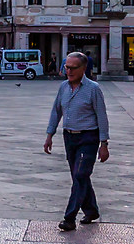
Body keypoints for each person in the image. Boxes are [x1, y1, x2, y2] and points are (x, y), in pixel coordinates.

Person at [42, 51, 110, 233]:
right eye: (66, 67)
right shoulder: (63, 87)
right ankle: (92, 210)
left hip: (89, 136)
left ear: (84, 68)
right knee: (79, 176)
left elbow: (102, 116)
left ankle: (69, 218)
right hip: (69, 137)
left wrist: (104, 144)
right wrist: (50, 135)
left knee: (80, 175)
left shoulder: (93, 89)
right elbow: (56, 111)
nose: (69, 71)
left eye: (73, 68)